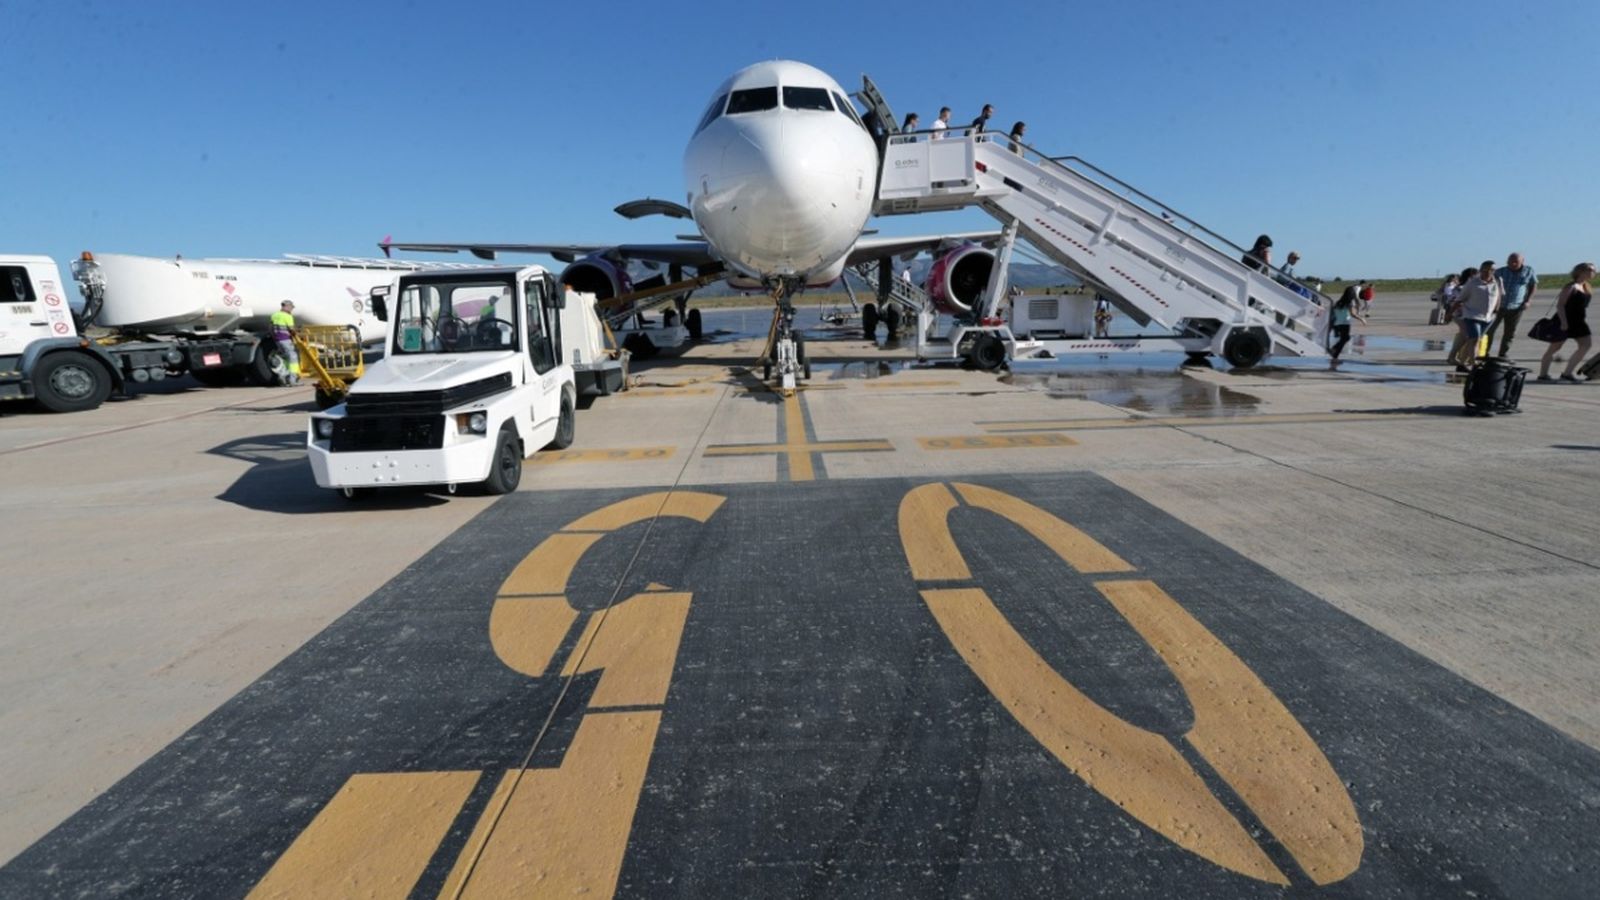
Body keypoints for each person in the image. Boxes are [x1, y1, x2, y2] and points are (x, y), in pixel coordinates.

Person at [1536, 262, 1595, 382]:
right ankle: (1543, 375)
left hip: (1579, 321)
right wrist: (1563, 322)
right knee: (1554, 348)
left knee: (1586, 345)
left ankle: (1567, 373)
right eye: (1590, 270)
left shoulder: (1586, 286)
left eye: (1594, 270)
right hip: (1564, 320)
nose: (1592, 272)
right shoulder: (1571, 287)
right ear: (1580, 271)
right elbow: (1560, 305)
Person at [1447, 260, 1502, 371]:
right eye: (1485, 269)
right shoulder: (1472, 284)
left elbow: (1499, 296)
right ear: (1481, 270)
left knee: (1473, 339)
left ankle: (1462, 362)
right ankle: (1473, 363)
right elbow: (1459, 299)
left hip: (1488, 317)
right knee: (1474, 338)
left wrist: (1496, 310)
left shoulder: (1497, 282)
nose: (1488, 272)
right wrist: (1449, 313)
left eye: (1491, 270)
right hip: (1471, 315)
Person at [1486, 252, 1537, 357]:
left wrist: (1528, 300)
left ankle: (1503, 353)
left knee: (1510, 332)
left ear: (1522, 262)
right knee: (1489, 330)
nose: (1513, 264)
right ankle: (1485, 352)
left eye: (1516, 262)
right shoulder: (1500, 272)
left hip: (1516, 307)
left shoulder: (1529, 271)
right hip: (1498, 306)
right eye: (1510, 261)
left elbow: (1533, 285)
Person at [1327, 286, 1368, 367]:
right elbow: (1353, 314)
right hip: (1345, 323)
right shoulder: (1350, 302)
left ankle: (1334, 355)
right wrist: (1362, 319)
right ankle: (1333, 352)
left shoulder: (1339, 302)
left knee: (1344, 338)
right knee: (1345, 338)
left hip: (1337, 323)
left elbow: (1333, 311)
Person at [270, 300, 300, 385]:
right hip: (285, 339)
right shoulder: (287, 316)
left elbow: (270, 328)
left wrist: (275, 338)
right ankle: (292, 380)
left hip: (278, 340)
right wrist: (297, 334)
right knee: (293, 358)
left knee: (285, 358)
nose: (292, 309)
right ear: (286, 306)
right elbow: (291, 329)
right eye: (291, 307)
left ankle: (283, 376)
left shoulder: (274, 315)